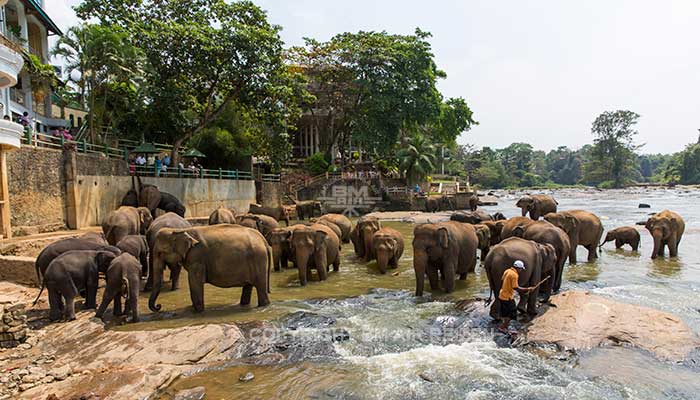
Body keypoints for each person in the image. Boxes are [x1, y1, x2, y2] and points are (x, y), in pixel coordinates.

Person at [497, 260, 534, 334]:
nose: (521, 271)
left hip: (502, 295)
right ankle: (503, 327)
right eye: (521, 269)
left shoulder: (507, 271)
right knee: (512, 314)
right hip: (508, 297)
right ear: (518, 268)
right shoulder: (514, 275)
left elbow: (502, 280)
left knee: (505, 313)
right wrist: (527, 289)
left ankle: (504, 326)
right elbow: (516, 287)